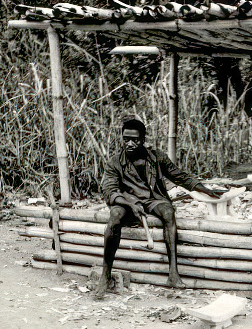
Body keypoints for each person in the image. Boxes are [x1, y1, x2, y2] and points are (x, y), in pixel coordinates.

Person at [95, 117, 222, 299]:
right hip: (127, 202)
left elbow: (180, 177)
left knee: (169, 212)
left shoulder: (157, 157)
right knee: (114, 216)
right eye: (126, 139)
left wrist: (205, 189)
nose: (130, 144)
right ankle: (105, 275)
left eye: (135, 140)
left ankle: (173, 274)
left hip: (153, 199)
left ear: (144, 139)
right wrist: (130, 203)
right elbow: (109, 191)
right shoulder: (114, 162)